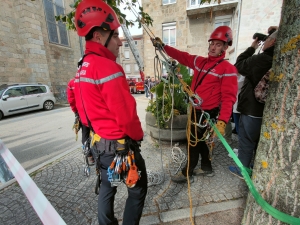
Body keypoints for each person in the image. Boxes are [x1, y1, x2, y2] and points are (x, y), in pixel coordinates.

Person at [73, 1, 147, 224]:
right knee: (137, 190)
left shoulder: (82, 67)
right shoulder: (109, 68)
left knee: (109, 186)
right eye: (114, 35)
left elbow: (80, 110)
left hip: (101, 148)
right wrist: (138, 136)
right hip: (121, 149)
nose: (119, 40)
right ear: (98, 36)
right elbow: (126, 115)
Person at [152, 26, 238, 183]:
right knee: (200, 141)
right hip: (195, 110)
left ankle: (187, 173)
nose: (213, 47)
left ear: (225, 47)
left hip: (206, 113)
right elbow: (181, 56)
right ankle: (206, 168)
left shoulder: (228, 69)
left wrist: (222, 121)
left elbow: (229, 97)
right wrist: (163, 47)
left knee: (192, 143)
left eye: (218, 44)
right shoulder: (200, 62)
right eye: (212, 43)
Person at [229, 27, 278, 179]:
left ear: (273, 42)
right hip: (263, 110)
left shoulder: (263, 59)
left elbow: (239, 64)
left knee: (246, 140)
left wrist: (253, 47)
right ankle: (253, 167)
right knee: (256, 142)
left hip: (252, 109)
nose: (264, 43)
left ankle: (242, 170)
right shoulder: (277, 58)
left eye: (267, 40)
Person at [66, 78, 94, 165]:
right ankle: (101, 154)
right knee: (98, 132)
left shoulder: (71, 83)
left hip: (81, 112)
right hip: (93, 111)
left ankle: (89, 156)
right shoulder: (89, 79)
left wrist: (76, 112)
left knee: (85, 134)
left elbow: (71, 100)